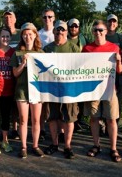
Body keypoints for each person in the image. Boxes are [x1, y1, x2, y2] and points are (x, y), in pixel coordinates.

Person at [82, 20, 122, 162]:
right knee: (94, 118)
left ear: (106, 31)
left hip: (109, 89)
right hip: (93, 90)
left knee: (111, 119)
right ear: (92, 32)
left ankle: (113, 148)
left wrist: (118, 61)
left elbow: (120, 70)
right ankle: (96, 145)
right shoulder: (87, 49)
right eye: (95, 30)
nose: (98, 33)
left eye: (100, 30)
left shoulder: (114, 47)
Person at [43, 20, 80, 159]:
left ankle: (67, 146)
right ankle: (54, 144)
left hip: (69, 90)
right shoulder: (47, 49)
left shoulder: (73, 48)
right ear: (53, 31)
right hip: (52, 89)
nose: (60, 32)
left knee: (69, 118)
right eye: (57, 29)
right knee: (53, 117)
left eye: (63, 30)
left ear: (66, 31)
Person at [10, 22, 44, 158]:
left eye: (30, 34)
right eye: (25, 34)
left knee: (36, 119)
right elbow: (15, 74)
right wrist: (23, 63)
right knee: (23, 120)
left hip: (37, 91)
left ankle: (35, 145)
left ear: (35, 35)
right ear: (22, 36)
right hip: (22, 90)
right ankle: (23, 146)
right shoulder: (17, 53)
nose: (28, 37)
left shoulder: (41, 53)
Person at [0, 27, 15, 154]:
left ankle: (5, 141)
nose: (5, 38)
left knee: (6, 117)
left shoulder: (13, 52)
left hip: (9, 90)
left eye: (7, 36)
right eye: (3, 36)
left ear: (11, 38)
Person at [38, 9, 55, 140]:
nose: (47, 19)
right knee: (43, 103)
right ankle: (42, 129)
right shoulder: (38, 34)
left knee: (55, 103)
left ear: (53, 18)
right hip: (43, 73)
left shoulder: (58, 32)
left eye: (50, 17)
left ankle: (56, 130)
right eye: (45, 17)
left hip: (56, 73)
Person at [3, 11, 20, 139]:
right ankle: (9, 128)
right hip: (5, 73)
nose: (8, 19)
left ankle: (18, 127)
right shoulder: (0, 34)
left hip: (20, 71)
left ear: (15, 19)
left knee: (18, 102)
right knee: (9, 103)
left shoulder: (20, 33)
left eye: (10, 17)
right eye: (6, 17)